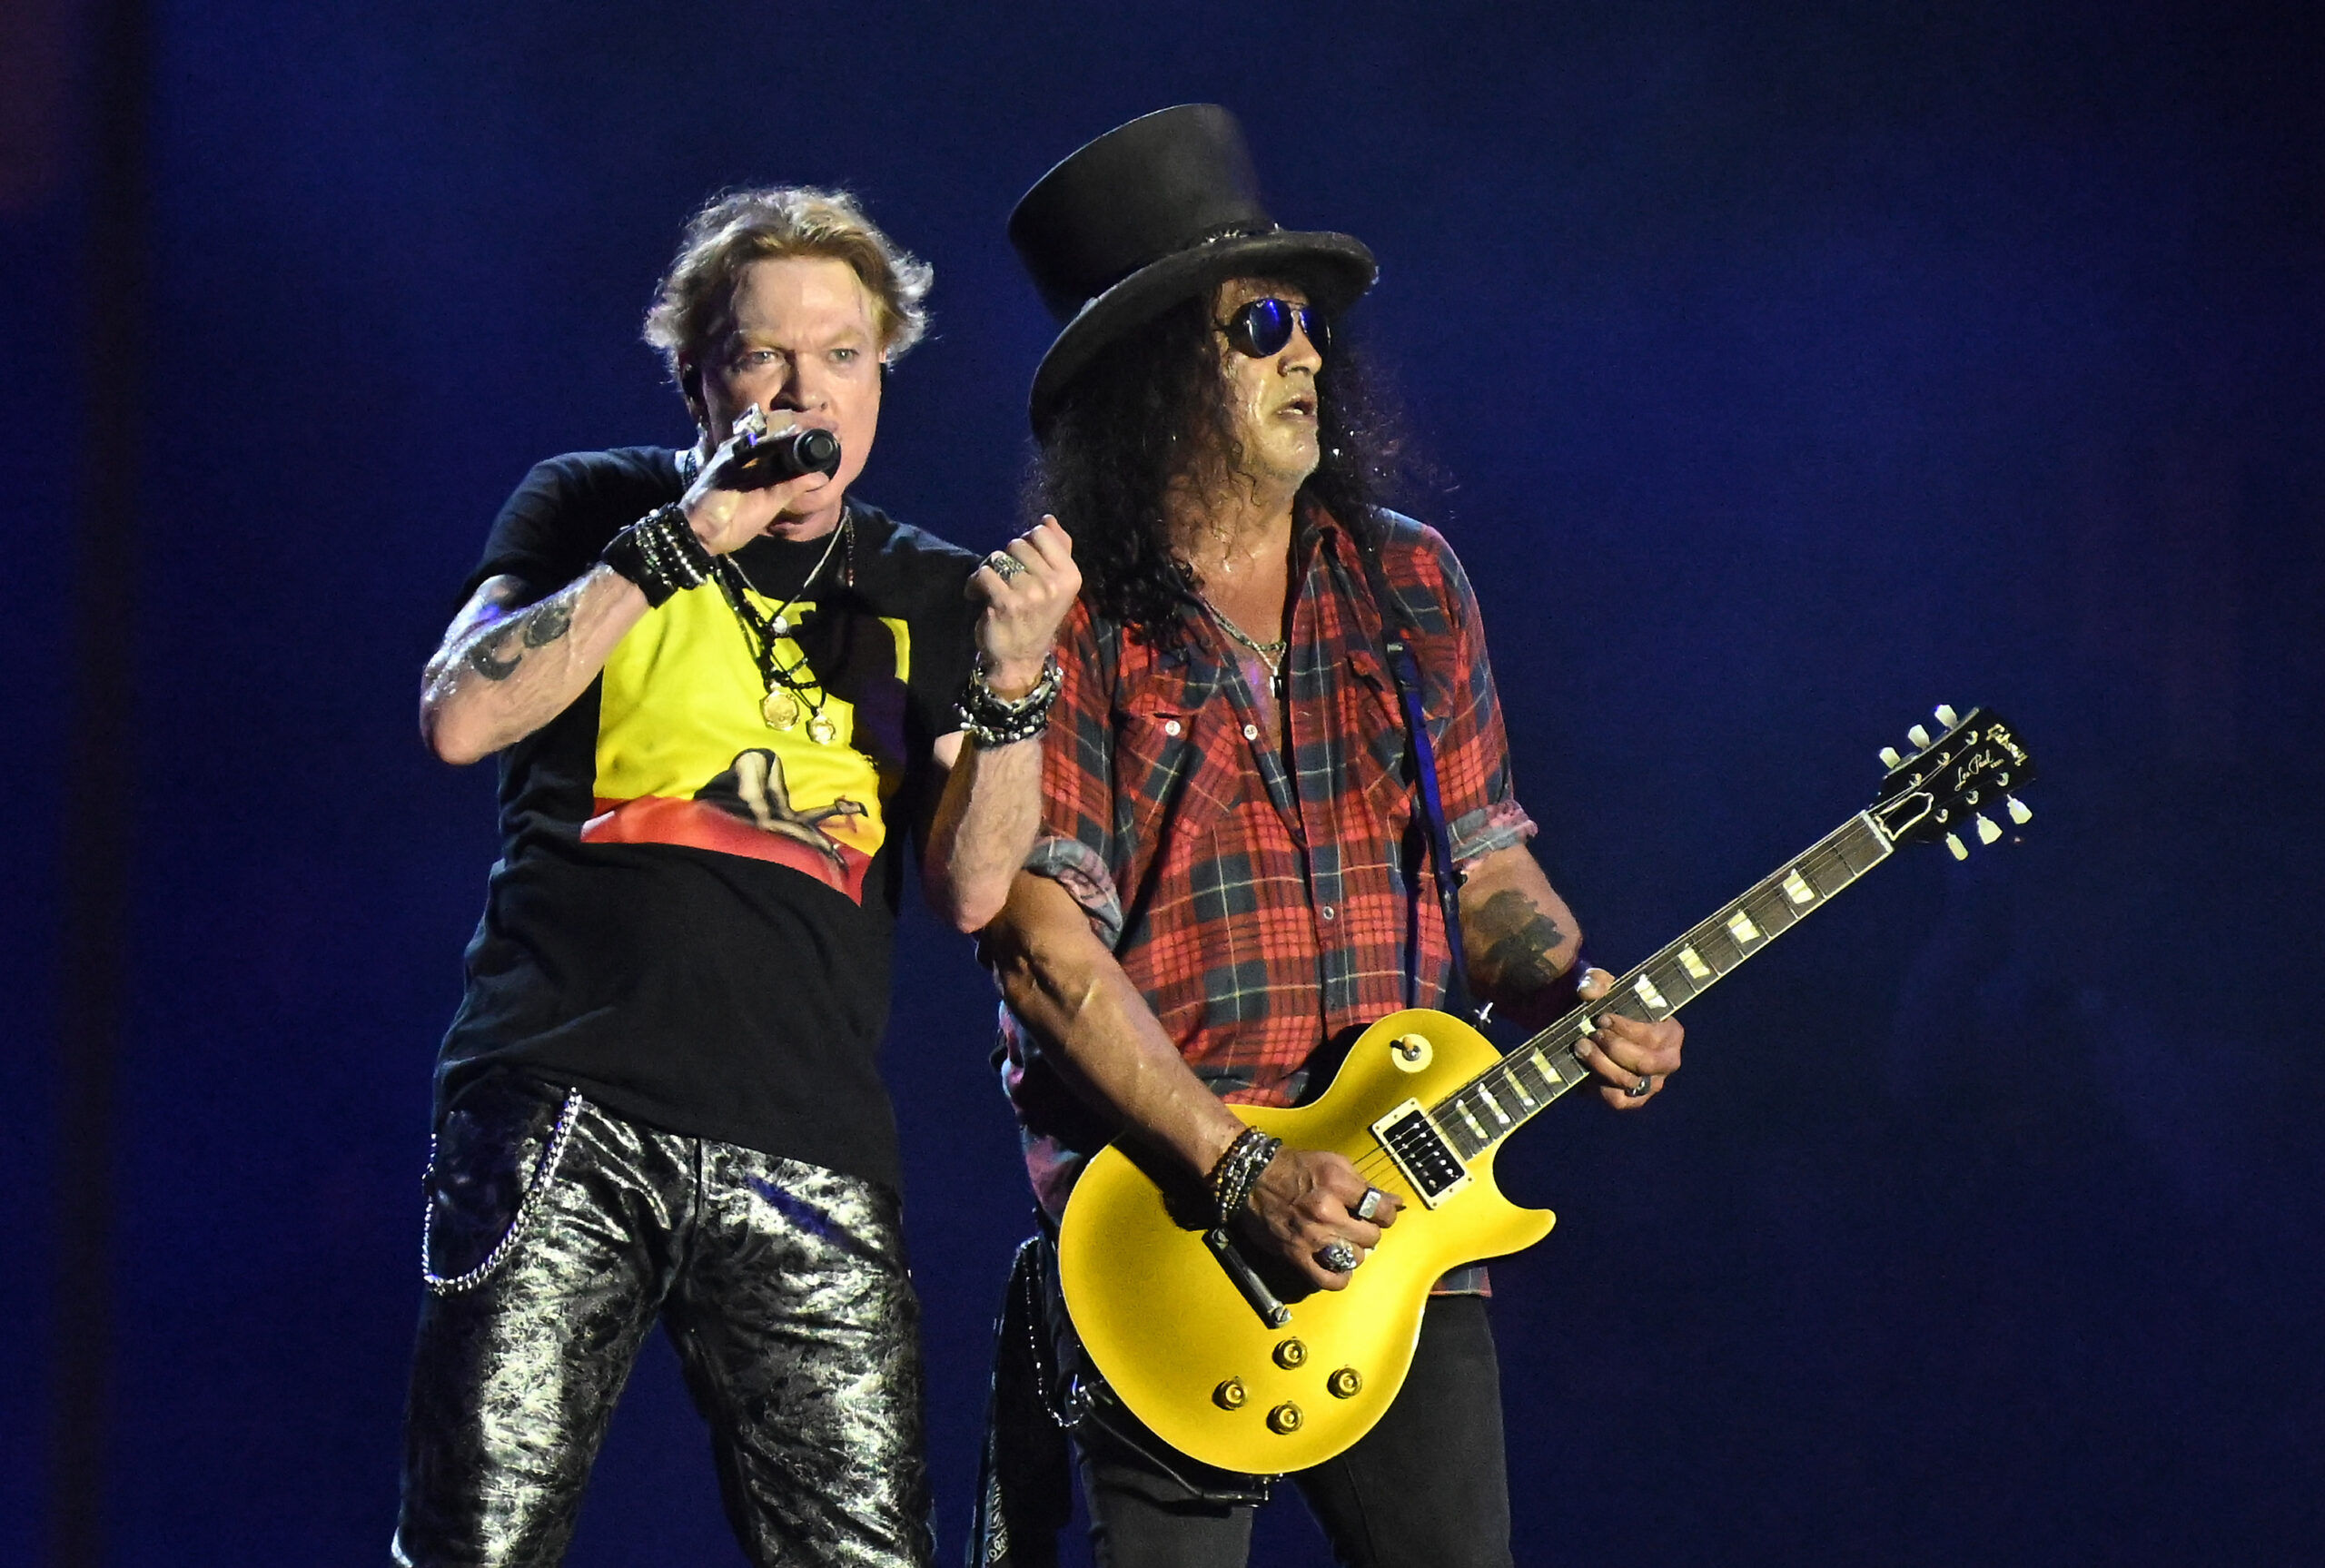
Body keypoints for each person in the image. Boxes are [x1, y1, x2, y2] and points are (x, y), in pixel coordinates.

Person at [975, 106, 1684, 1567]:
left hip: (1402, 1224)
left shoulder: (1409, 583)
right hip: (1172, 1242)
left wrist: (1570, 985)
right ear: (1155, 368)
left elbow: (1488, 871)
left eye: (1312, 325)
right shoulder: (1074, 626)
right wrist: (1240, 1169)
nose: (1308, 354)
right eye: (1262, 326)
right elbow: (1041, 948)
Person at [393, 186, 1077, 1568]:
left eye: (842, 355)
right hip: (565, 1107)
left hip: (808, 1146)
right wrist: (680, 541)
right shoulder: (593, 503)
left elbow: (972, 891)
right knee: (479, 1545)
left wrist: (1014, 690)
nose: (806, 391)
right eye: (766, 355)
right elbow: (461, 716)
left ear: (880, 374)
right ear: (700, 376)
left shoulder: (927, 592)